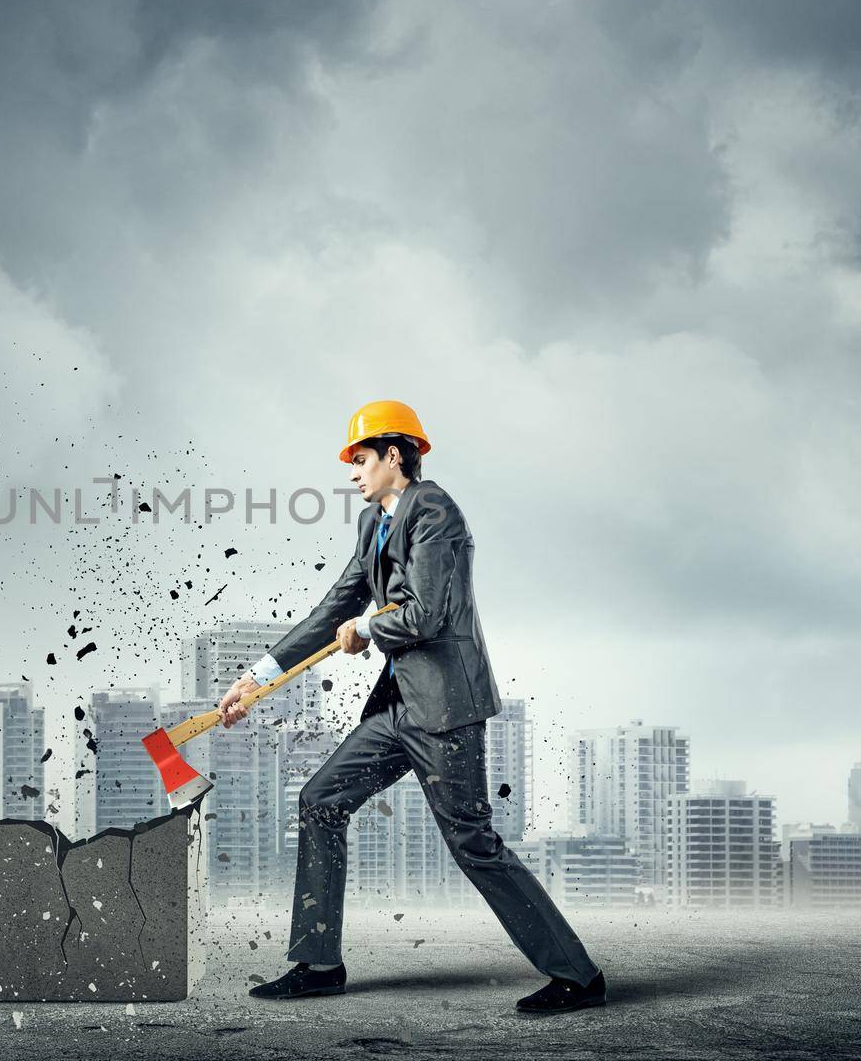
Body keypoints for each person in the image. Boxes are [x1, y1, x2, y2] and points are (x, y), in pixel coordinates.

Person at [219, 400, 607, 1015]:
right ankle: (318, 963)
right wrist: (256, 675)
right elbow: (333, 605)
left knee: (473, 842)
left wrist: (367, 629)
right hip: (396, 707)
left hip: (446, 707)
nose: (352, 472)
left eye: (360, 459)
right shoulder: (373, 522)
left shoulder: (435, 510)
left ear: (393, 455)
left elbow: (428, 612)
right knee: (321, 799)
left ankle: (578, 977)